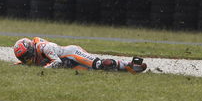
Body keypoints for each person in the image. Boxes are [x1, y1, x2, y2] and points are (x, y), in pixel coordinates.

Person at [13, 37, 147, 74]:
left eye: (27, 56)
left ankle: (131, 64)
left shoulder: (44, 47)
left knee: (99, 64)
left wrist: (42, 71)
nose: (27, 60)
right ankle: (128, 72)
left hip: (72, 54)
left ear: (32, 49)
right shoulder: (31, 56)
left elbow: (57, 62)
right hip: (69, 66)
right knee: (96, 73)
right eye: (23, 58)